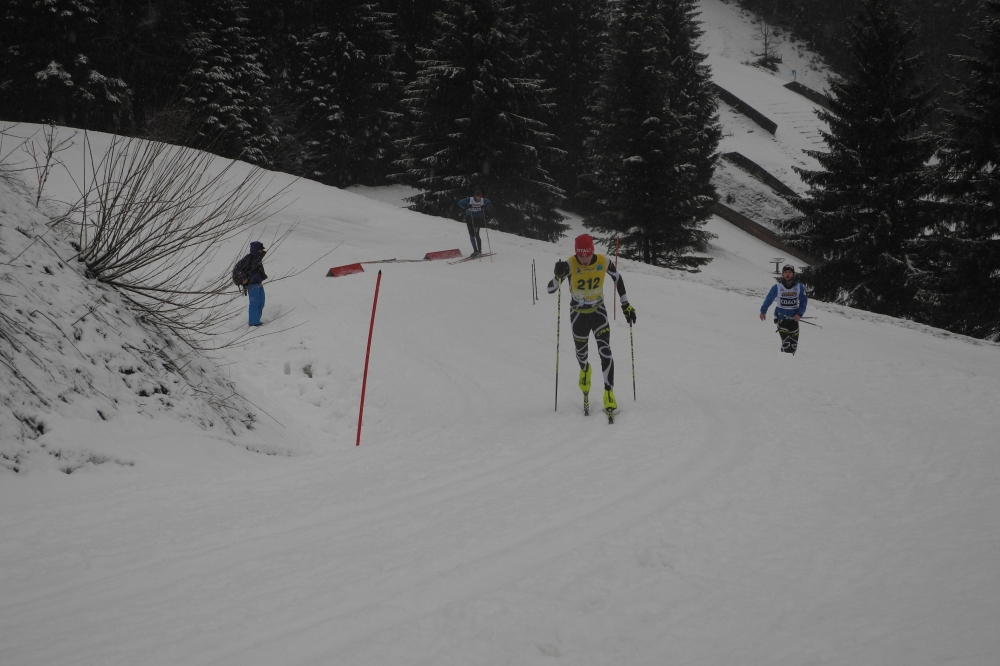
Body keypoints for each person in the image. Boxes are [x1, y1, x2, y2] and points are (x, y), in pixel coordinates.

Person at [548, 233, 636, 414]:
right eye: (581, 255)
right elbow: (551, 289)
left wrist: (625, 304)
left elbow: (618, 278)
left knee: (605, 351)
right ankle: (585, 371)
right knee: (582, 355)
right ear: (576, 253)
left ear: (592, 251)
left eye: (587, 254)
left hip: (598, 312)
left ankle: (608, 392)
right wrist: (557, 275)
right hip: (578, 315)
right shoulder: (570, 264)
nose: (585, 259)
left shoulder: (603, 261)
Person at [759, 264, 807, 354]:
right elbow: (769, 299)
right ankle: (780, 361)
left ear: (793, 274)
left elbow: (804, 302)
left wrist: (799, 314)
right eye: (785, 272)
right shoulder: (777, 287)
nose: (787, 274)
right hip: (781, 319)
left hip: (794, 319)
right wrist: (763, 311)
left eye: (789, 272)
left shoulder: (799, 287)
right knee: (786, 344)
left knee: (793, 347)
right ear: (782, 274)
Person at [236, 241, 268, 326]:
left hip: (258, 283)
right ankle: (254, 323)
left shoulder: (257, 259)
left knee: (261, 302)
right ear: (255, 250)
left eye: (262, 249)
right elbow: (238, 269)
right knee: (254, 303)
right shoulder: (248, 259)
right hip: (252, 284)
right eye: (260, 249)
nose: (261, 251)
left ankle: (256, 320)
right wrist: (244, 278)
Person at [457, 190, 491, 258]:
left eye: (480, 196)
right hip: (470, 218)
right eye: (478, 196)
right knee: (471, 234)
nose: (479, 198)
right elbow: (459, 203)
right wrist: (466, 206)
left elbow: (489, 202)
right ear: (475, 196)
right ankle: (475, 250)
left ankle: (479, 251)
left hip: (478, 219)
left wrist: (485, 207)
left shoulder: (483, 200)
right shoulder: (470, 199)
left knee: (477, 234)